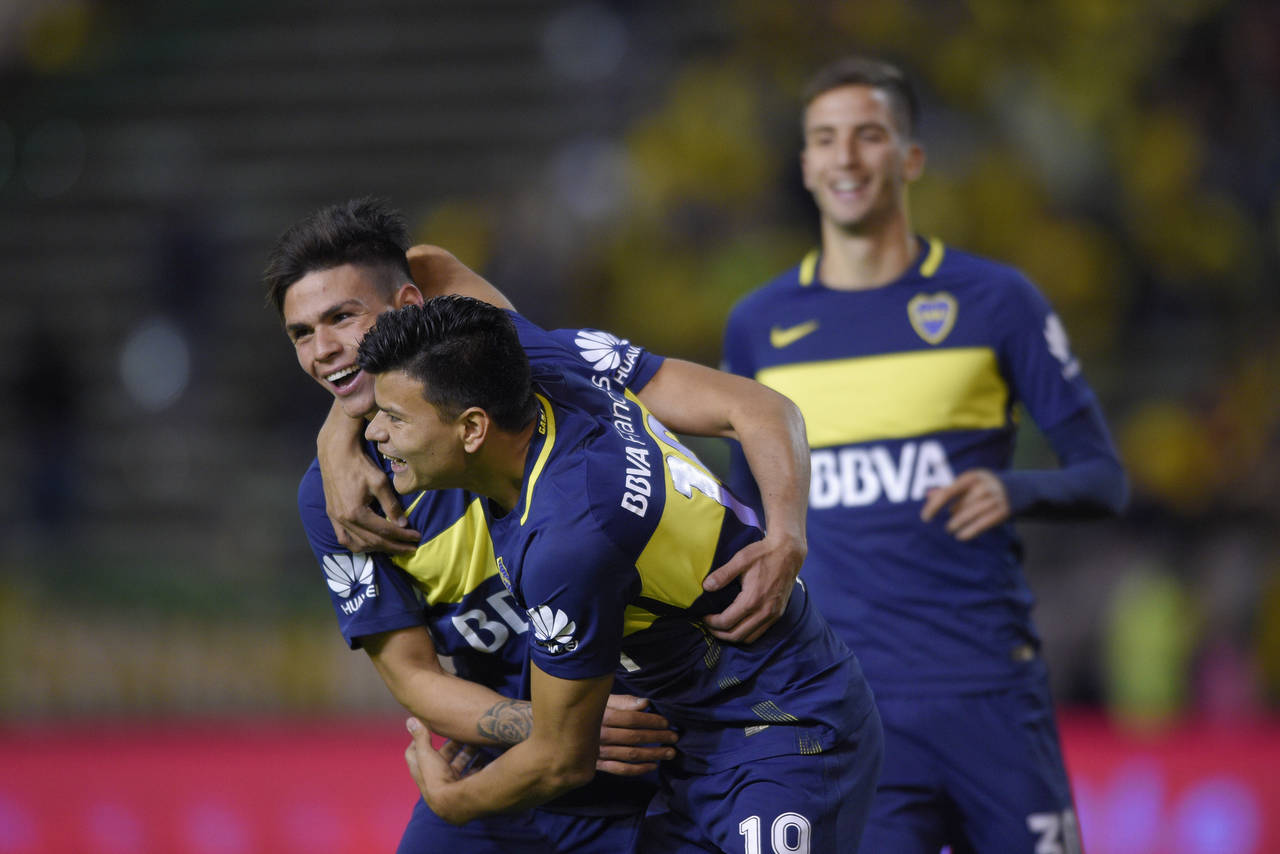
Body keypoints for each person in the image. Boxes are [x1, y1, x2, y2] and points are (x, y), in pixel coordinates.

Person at [264, 198, 814, 852]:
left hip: (661, 746)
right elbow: (411, 675)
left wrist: (787, 534)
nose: (324, 350)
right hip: (518, 760)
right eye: (301, 334)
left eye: (342, 317)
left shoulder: (535, 361)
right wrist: (543, 725)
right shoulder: (336, 500)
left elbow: (428, 262)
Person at [721, 57, 1128, 853]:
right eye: (825, 139)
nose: (845, 158)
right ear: (805, 164)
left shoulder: (997, 301)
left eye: (868, 135)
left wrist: (1015, 491)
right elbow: (744, 522)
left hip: (990, 692)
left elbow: (1105, 479)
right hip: (847, 703)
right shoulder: (758, 324)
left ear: (910, 157)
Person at [360, 296, 883, 852]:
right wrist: (332, 434)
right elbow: (427, 262)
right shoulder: (539, 360)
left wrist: (455, 802)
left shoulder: (569, 541)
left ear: (472, 429)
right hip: (689, 749)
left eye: (394, 417)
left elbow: (562, 758)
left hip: (783, 730)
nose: (372, 433)